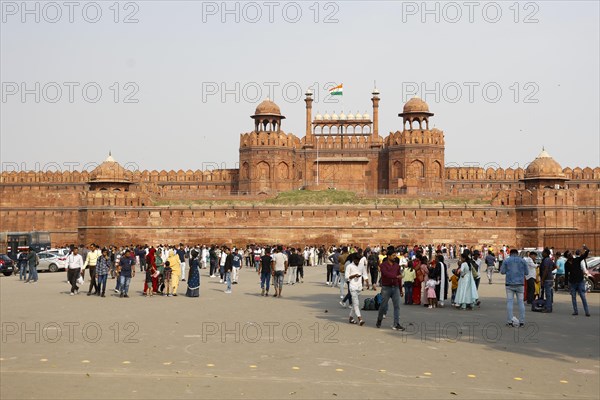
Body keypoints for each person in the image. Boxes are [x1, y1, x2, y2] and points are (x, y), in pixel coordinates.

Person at [376, 246, 405, 331]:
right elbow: (386, 274)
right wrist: (396, 276)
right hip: (386, 287)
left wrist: (400, 289)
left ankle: (396, 324)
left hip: (395, 287)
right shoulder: (383, 265)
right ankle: (379, 319)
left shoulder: (397, 266)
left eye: (395, 255)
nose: (394, 257)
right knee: (383, 306)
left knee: (397, 306)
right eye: (393, 255)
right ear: (388, 256)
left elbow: (399, 279)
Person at [500, 248, 528, 327]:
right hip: (520, 284)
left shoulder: (506, 260)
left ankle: (510, 321)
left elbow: (502, 272)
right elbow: (527, 272)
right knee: (521, 302)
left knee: (510, 302)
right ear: (517, 253)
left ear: (510, 253)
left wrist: (509, 271)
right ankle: (522, 321)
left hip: (509, 284)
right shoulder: (522, 261)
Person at [565, 246, 591, 317]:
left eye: (570, 254)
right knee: (573, 297)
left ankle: (587, 312)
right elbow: (566, 274)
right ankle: (575, 311)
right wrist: (566, 284)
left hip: (580, 281)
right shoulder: (566, 264)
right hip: (572, 282)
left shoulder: (577, 260)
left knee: (582, 296)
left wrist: (587, 250)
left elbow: (584, 256)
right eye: (569, 254)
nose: (570, 255)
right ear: (567, 256)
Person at [346, 253, 367, 326]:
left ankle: (351, 317)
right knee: (356, 304)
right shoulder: (349, 266)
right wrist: (354, 275)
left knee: (355, 304)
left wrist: (367, 282)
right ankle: (360, 319)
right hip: (352, 286)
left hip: (359, 287)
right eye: (356, 260)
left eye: (359, 260)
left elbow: (365, 274)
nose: (357, 261)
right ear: (353, 259)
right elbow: (347, 277)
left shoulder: (361, 265)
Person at [539, 248, 555, 313]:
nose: (542, 253)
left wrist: (542, 279)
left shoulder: (546, 260)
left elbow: (545, 270)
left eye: (543, 252)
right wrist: (550, 271)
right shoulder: (550, 260)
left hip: (547, 279)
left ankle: (548, 308)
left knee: (548, 295)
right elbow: (555, 266)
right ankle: (549, 307)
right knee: (550, 294)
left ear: (546, 253)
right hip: (551, 278)